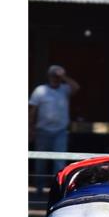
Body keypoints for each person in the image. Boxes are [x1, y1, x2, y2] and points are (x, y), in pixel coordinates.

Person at [29, 64, 80, 196]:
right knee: (41, 162)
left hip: (60, 131)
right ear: (48, 76)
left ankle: (58, 189)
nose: (55, 78)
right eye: (53, 75)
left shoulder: (65, 89)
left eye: (57, 76)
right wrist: (30, 128)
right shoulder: (40, 90)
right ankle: (39, 190)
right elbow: (32, 111)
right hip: (42, 131)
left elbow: (76, 87)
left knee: (59, 162)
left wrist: (63, 76)